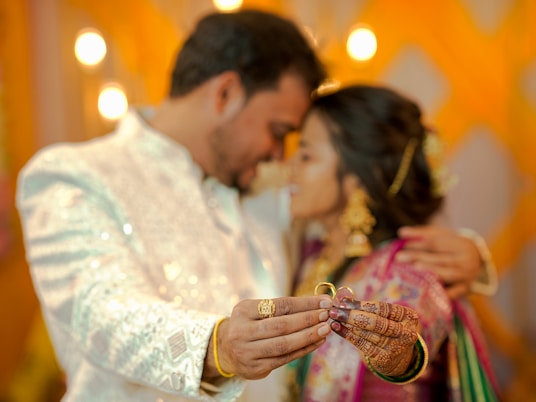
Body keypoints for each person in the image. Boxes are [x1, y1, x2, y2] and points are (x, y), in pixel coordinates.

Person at [16, 8, 494, 402]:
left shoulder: (265, 187)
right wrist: (218, 346)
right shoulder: (74, 176)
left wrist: (473, 254)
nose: (280, 157)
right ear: (225, 93)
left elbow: (359, 206)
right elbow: (106, 314)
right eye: (280, 132)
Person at [286, 84, 500, 401]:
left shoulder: (409, 268)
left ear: (360, 176)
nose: (290, 167)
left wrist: (403, 359)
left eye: (306, 155)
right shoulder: (311, 254)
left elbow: (414, 337)